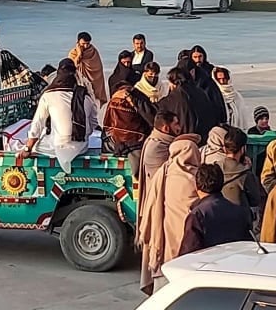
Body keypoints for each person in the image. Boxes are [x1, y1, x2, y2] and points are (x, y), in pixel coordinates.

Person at [138, 134, 202, 295]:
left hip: (164, 243)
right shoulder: (197, 178)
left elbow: (151, 207)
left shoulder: (163, 173)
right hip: (190, 245)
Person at [20, 59, 98, 173]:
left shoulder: (49, 95)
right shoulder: (85, 96)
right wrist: (79, 133)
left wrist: (28, 148)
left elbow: (38, 124)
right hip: (82, 147)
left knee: (36, 146)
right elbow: (93, 123)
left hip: (59, 146)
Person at [178, 163, 253, 256]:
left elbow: (187, 254)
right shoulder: (240, 212)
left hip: (207, 267)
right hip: (234, 265)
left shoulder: (197, 216)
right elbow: (248, 247)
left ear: (196, 186)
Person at [103, 80, 155, 178]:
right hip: (137, 141)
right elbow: (151, 118)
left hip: (116, 142)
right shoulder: (136, 96)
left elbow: (107, 125)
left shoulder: (113, 100)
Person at [158, 67, 219, 144]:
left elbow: (158, 111)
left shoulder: (174, 97)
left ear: (173, 82)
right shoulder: (200, 92)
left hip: (185, 141)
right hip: (205, 138)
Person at [220, 127, 262, 215]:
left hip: (217, 217)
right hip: (239, 220)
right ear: (243, 149)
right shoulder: (246, 174)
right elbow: (255, 200)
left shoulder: (215, 168)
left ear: (224, 148)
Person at [68, 31, 108, 106]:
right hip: (80, 80)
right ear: (78, 42)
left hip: (94, 80)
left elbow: (98, 68)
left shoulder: (93, 51)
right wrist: (79, 54)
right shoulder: (73, 52)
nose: (86, 46)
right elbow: (72, 66)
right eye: (83, 44)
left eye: (88, 43)